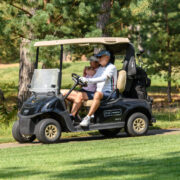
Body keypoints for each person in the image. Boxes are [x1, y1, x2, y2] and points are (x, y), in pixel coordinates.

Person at [75, 50, 117, 127]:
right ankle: (73, 116)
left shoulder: (111, 67)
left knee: (97, 94)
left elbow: (103, 78)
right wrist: (83, 80)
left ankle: (87, 118)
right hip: (100, 92)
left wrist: (88, 80)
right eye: (98, 57)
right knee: (78, 94)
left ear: (107, 57)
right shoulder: (101, 68)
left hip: (110, 92)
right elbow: (95, 78)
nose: (98, 59)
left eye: (100, 57)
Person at [62, 56, 99, 120]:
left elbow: (92, 73)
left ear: (97, 63)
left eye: (91, 61)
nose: (90, 63)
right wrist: (84, 73)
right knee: (62, 93)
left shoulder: (98, 70)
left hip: (92, 93)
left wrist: (86, 70)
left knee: (79, 96)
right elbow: (84, 78)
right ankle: (64, 114)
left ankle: (72, 116)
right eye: (90, 61)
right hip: (84, 90)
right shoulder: (90, 69)